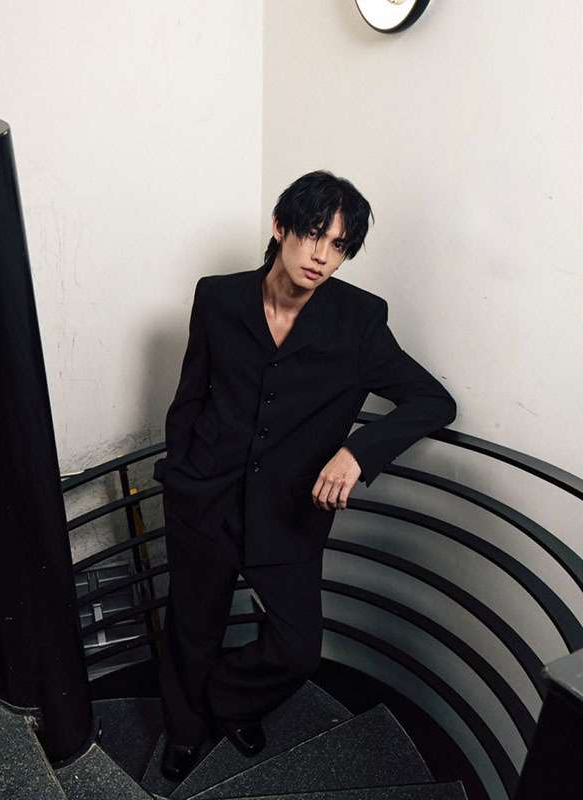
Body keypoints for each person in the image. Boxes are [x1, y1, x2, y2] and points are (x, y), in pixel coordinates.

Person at [153, 170, 457, 781]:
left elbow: (433, 401)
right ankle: (184, 731)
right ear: (280, 227)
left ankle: (228, 701)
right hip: (204, 498)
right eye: (314, 234)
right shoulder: (217, 298)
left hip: (289, 511)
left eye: (339, 245)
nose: (322, 255)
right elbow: (190, 397)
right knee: (192, 628)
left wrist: (357, 453)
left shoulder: (359, 320)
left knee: (296, 649)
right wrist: (181, 477)